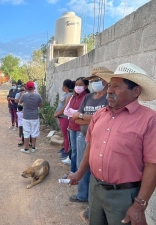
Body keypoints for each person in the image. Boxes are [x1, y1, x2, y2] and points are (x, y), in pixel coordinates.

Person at [69, 63, 156, 225]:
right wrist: (79, 174)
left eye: (116, 86)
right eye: (109, 85)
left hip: (124, 195)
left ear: (135, 91)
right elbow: (91, 146)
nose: (109, 90)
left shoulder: (149, 119)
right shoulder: (100, 115)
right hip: (95, 188)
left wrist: (139, 205)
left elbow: (153, 164)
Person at [69, 68, 112, 220]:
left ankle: (93, 205)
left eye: (96, 79)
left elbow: (104, 119)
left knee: (97, 173)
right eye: (92, 80)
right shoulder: (88, 97)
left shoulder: (109, 98)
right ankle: (82, 196)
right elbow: (76, 119)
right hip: (83, 137)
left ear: (106, 81)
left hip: (102, 140)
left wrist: (82, 116)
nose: (93, 82)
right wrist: (86, 117)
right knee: (83, 167)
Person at [63, 77, 90, 173]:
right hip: (72, 127)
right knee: (74, 151)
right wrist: (77, 113)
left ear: (86, 86)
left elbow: (84, 113)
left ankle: (80, 173)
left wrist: (75, 113)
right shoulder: (73, 97)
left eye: (80, 85)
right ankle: (73, 171)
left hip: (81, 128)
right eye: (76, 84)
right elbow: (66, 112)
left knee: (81, 152)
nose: (77, 87)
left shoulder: (87, 97)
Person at [19, 81, 43, 154]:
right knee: (34, 132)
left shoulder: (24, 95)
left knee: (26, 132)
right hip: (35, 117)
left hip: (26, 117)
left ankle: (26, 149)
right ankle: (33, 147)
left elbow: (20, 102)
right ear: (34, 87)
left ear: (26, 87)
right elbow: (41, 106)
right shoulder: (38, 96)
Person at [53, 79, 75, 160]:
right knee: (64, 134)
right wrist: (56, 112)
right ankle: (64, 148)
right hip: (61, 117)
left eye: (62, 86)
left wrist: (57, 113)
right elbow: (60, 104)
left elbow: (65, 107)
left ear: (65, 86)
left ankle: (66, 151)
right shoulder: (65, 94)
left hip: (64, 117)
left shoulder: (69, 95)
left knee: (66, 136)